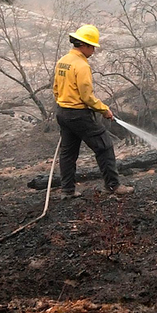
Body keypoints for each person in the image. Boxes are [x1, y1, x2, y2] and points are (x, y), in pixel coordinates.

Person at [52, 24, 129, 197]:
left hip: (63, 113)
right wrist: (104, 110)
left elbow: (56, 88)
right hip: (79, 114)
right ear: (84, 45)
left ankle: (67, 190)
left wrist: (64, 103)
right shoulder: (81, 66)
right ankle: (113, 186)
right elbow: (87, 97)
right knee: (105, 146)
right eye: (92, 46)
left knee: (68, 153)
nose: (93, 50)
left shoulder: (63, 61)